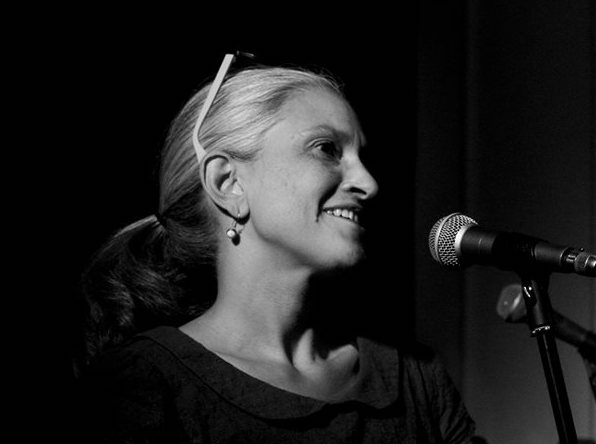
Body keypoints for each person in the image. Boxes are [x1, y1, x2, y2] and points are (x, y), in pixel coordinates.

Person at [76, 51, 476, 443]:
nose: (369, 184)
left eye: (361, 157)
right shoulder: (141, 385)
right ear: (228, 183)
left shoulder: (415, 378)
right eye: (326, 148)